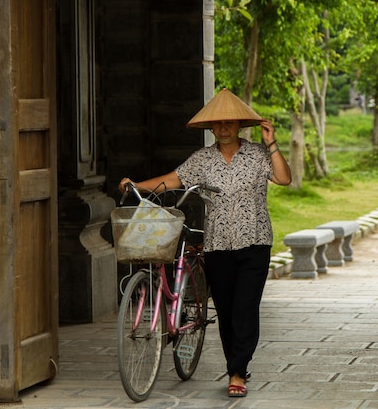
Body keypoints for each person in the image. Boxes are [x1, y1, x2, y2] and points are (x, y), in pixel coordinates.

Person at [118, 88, 291, 398]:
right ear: (211, 128)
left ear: (239, 125)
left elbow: (284, 178)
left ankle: (238, 371)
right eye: (218, 124)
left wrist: (272, 143)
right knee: (225, 309)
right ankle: (233, 363)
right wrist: (135, 185)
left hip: (255, 242)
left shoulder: (257, 155)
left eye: (229, 123)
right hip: (218, 245)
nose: (223, 128)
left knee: (245, 308)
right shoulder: (202, 159)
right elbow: (173, 179)